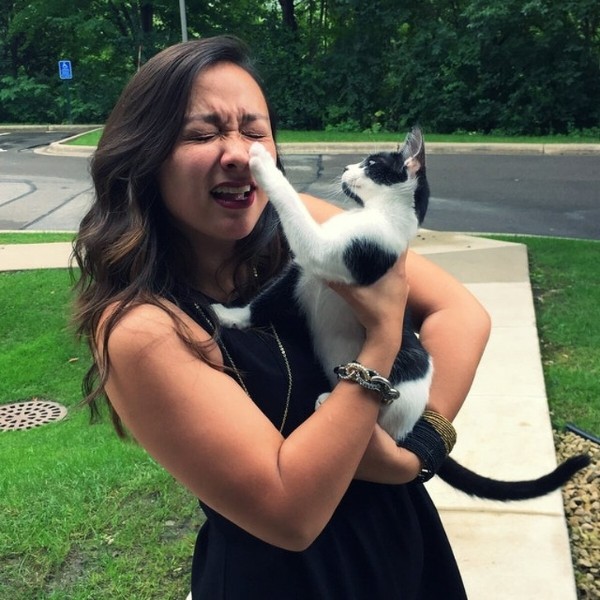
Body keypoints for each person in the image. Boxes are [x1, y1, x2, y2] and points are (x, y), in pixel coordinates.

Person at [73, 35, 490, 599]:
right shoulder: (142, 329)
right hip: (290, 581)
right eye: (202, 134)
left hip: (403, 545)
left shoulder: (300, 228)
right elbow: (292, 514)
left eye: (254, 131)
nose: (239, 153)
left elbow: (460, 313)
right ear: (145, 157)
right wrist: (382, 338)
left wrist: (418, 447)